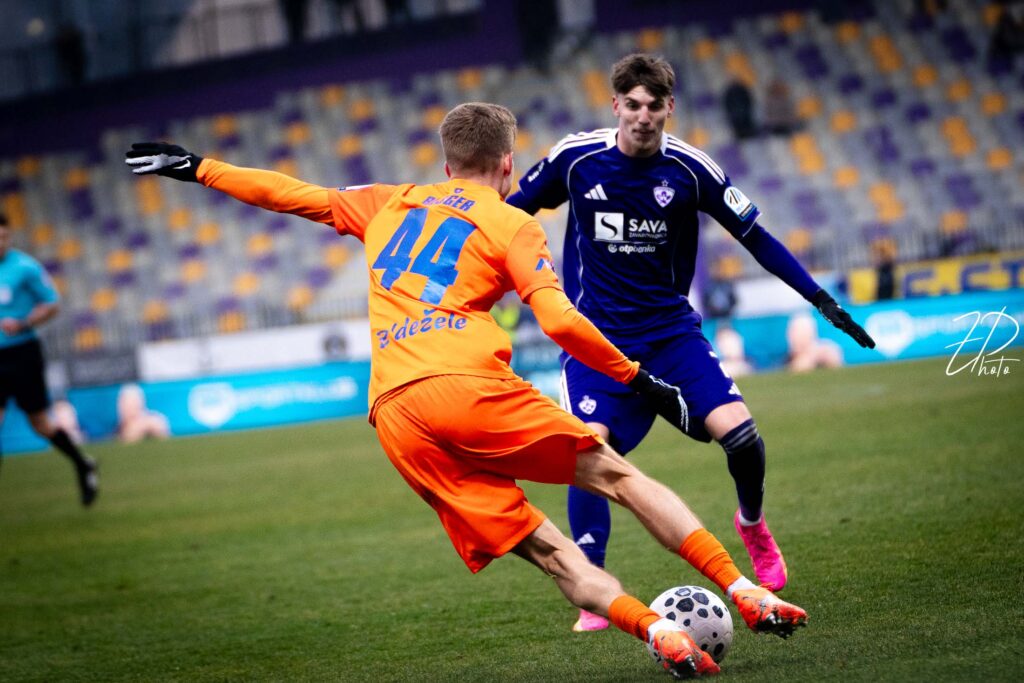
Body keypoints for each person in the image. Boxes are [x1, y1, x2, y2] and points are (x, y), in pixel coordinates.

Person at [126, 102, 807, 678]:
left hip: (395, 413)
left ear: (446, 162)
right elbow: (559, 319)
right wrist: (639, 378)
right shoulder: (512, 222)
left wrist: (197, 166)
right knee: (616, 476)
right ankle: (744, 590)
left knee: (551, 553)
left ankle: (657, 630)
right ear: (508, 165)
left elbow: (287, 192)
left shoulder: (387, 201)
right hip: (467, 385)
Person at [507, 54, 874, 631]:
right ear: (615, 105)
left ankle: (751, 524)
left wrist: (820, 298)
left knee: (743, 438)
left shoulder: (691, 169)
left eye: (654, 106)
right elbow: (507, 215)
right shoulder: (576, 159)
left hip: (671, 335)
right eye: (632, 104)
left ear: (669, 108)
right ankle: (593, 585)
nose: (643, 116)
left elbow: (757, 238)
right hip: (595, 342)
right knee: (588, 449)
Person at [0, 214, 98, 506]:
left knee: (40, 423)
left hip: (22, 353)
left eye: (3, 237)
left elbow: (52, 304)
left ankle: (82, 463)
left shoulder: (25, 267)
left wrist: (24, 323)